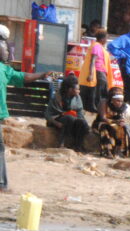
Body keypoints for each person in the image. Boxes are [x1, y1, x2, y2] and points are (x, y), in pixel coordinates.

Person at [1, 64, 49, 192]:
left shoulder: (4, 69)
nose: (7, 52)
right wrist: (42, 74)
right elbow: (25, 77)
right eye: (4, 49)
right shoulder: (3, 69)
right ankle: (1, 184)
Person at [107, 20, 130, 111]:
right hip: (127, 69)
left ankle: (115, 107)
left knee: (128, 93)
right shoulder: (125, 38)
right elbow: (111, 46)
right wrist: (121, 55)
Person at [45, 75, 89, 152]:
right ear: (70, 89)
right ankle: (61, 143)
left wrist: (82, 122)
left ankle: (78, 146)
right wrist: (56, 123)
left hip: (72, 120)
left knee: (82, 123)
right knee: (69, 118)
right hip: (57, 120)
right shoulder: (57, 97)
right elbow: (48, 114)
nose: (79, 91)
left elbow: (80, 112)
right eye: (77, 89)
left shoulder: (77, 97)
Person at [95, 88, 130, 158]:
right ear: (112, 100)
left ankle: (119, 150)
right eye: (118, 101)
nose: (120, 103)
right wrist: (114, 122)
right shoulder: (104, 102)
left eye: (121, 101)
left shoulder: (123, 106)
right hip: (103, 122)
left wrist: (121, 121)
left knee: (122, 128)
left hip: (115, 123)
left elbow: (124, 119)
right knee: (104, 127)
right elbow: (103, 118)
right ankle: (107, 150)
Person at [80, 28, 113, 116]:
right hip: (99, 71)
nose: (106, 40)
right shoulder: (97, 46)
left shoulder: (98, 46)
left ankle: (98, 108)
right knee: (100, 92)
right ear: (102, 39)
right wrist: (91, 74)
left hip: (100, 71)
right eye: (106, 38)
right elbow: (93, 60)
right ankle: (97, 108)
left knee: (99, 91)